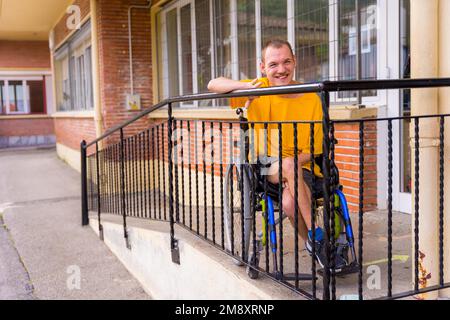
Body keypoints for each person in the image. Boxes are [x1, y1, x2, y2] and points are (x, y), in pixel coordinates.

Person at [208, 39, 345, 271]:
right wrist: (245, 88)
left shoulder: (311, 96)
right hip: (265, 166)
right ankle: (319, 238)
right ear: (263, 67)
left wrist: (293, 163)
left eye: (286, 62)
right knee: (288, 166)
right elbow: (213, 84)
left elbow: (316, 148)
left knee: (289, 202)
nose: (281, 69)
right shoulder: (259, 88)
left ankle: (312, 242)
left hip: (304, 167)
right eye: (273, 64)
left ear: (295, 62)